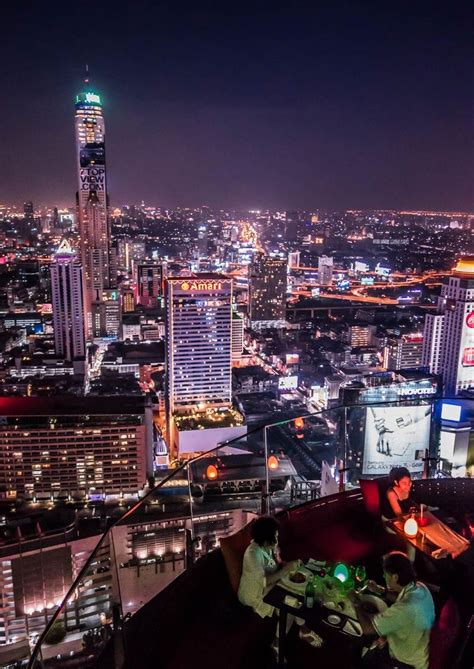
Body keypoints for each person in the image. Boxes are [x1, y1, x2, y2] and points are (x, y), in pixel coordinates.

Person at [238, 516, 322, 649]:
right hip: (254, 592)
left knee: (298, 592)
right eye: (275, 537)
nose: (277, 540)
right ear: (266, 540)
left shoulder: (269, 546)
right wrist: (286, 570)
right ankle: (278, 643)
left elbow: (277, 564)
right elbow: (264, 581)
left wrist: (287, 564)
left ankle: (303, 629)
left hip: (273, 583)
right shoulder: (252, 554)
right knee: (288, 605)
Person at [351, 551, 435, 669]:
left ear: (395, 577)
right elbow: (399, 598)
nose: (383, 576)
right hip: (416, 650)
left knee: (359, 658)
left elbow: (368, 628)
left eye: (386, 574)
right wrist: (379, 590)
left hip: (405, 664)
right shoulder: (420, 587)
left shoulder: (405, 609)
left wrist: (355, 602)